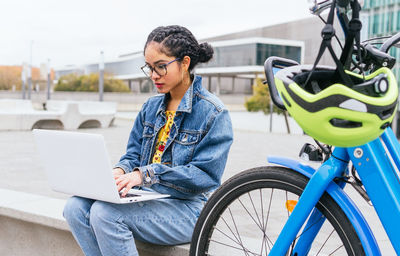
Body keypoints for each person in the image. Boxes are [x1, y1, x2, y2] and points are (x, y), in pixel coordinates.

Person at [63, 25, 233, 256]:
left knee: (106, 214)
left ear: (184, 63)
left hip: (190, 209)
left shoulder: (213, 112)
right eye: (150, 68)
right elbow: (132, 155)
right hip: (145, 197)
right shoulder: (150, 107)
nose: (153, 76)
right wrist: (119, 172)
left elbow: (204, 176)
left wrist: (146, 174)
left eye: (161, 67)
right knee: (74, 208)